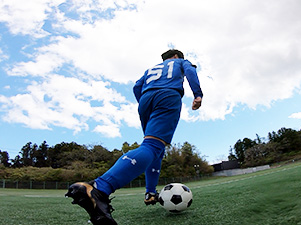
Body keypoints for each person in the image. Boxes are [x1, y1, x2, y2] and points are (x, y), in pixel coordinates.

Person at [65, 49, 203, 224]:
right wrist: (198, 94)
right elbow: (190, 71)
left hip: (146, 100)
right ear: (176, 57)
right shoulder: (180, 63)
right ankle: (100, 187)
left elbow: (137, 86)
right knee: (152, 147)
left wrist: (145, 101)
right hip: (167, 95)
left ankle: (150, 192)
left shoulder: (151, 69)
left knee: (155, 149)